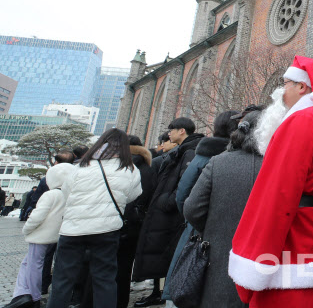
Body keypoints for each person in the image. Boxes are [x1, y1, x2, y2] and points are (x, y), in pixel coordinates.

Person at [228, 56, 313, 308]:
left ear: (302, 87)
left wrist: (253, 261)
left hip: (295, 240)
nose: (280, 90)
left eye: (285, 83)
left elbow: (276, 193)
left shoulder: (302, 121)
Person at [45, 129, 142, 308]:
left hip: (73, 228)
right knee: (104, 280)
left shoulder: (81, 165)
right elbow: (134, 194)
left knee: (62, 281)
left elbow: (66, 192)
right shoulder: (129, 168)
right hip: (107, 229)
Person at [184, 109, 264, 308]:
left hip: (218, 258)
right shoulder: (280, 165)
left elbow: (192, 209)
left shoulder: (218, 162)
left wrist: (214, 229)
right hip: (264, 261)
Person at [162, 110, 239, 304]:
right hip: (207, 228)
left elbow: (183, 195)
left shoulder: (203, 155)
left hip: (197, 226)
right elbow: (183, 197)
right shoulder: (214, 155)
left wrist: (193, 219)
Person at [132, 118, 203, 305]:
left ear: (182, 131)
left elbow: (184, 186)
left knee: (170, 256)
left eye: (171, 130)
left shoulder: (189, 152)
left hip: (172, 215)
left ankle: (166, 293)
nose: (168, 134)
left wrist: (167, 201)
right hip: (166, 214)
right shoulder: (181, 152)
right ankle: (160, 292)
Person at [3, 164, 73, 308]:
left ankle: (32, 296)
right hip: (56, 234)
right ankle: (22, 294)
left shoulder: (50, 194)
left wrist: (27, 229)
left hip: (41, 234)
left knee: (33, 264)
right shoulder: (67, 195)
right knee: (30, 263)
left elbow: (37, 215)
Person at [114, 135, 157, 308]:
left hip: (119, 223)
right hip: (135, 224)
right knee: (124, 269)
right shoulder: (148, 167)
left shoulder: (123, 167)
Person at [31, 149, 76, 295]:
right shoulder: (78, 177)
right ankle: (63, 288)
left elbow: (35, 201)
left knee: (44, 257)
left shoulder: (47, 179)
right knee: (65, 258)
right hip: (70, 224)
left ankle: (41, 286)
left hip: (49, 226)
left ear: (56, 162)